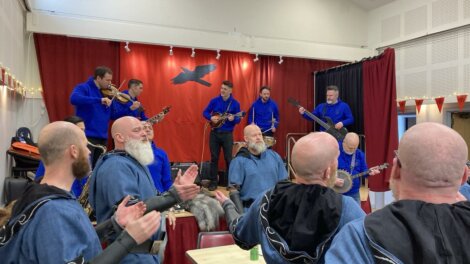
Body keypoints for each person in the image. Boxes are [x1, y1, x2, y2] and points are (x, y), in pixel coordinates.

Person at [0, 121, 161, 263]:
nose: (89, 152)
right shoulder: (54, 212)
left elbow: (82, 240)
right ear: (74, 151)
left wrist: (114, 223)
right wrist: (129, 239)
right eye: (85, 146)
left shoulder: (40, 195)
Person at [325, 122, 470, 263]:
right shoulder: (335, 152)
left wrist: (369, 173)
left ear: (395, 171)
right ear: (464, 176)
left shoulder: (358, 236)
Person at [215, 132, 365, 263]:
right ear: (327, 172)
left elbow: (241, 236)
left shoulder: (267, 199)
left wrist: (228, 205)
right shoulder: (346, 207)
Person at [89, 116, 200, 263]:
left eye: (144, 129)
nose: (144, 133)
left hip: (143, 255)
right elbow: (133, 209)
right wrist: (173, 196)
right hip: (131, 256)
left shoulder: (132, 163)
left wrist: (173, 191)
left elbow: (147, 200)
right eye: (137, 130)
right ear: (119, 137)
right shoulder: (116, 166)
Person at [228, 124, 287, 211]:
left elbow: (284, 183)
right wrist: (241, 218)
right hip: (251, 211)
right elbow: (233, 191)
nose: (258, 137)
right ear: (246, 139)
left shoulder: (274, 156)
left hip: (274, 209)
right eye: (254, 135)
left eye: (259, 134)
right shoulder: (239, 161)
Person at [70, 66, 115, 167]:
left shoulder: (106, 93)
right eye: (107, 80)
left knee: (98, 168)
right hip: (88, 135)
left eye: (110, 80)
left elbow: (112, 115)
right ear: (98, 78)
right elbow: (74, 99)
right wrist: (99, 100)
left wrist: (130, 110)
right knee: (86, 167)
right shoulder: (84, 87)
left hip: (102, 137)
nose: (110, 83)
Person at [35, 115, 88, 197]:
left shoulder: (83, 153)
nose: (84, 134)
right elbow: (39, 180)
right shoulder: (53, 153)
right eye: (80, 130)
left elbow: (84, 181)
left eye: (84, 130)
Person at [202, 80, 241, 191]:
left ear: (230, 90)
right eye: (221, 88)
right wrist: (211, 118)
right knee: (214, 158)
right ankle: (214, 182)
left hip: (227, 135)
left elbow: (238, 119)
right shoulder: (214, 101)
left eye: (225, 89)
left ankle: (230, 182)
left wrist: (234, 119)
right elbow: (204, 112)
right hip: (214, 133)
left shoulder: (235, 103)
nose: (222, 90)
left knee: (229, 159)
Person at [334, 132, 379, 204]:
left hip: (354, 192)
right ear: (344, 142)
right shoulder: (334, 150)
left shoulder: (359, 154)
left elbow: (364, 171)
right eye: (350, 148)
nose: (352, 150)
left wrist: (369, 172)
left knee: (357, 215)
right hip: (335, 192)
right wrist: (332, 180)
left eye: (355, 148)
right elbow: (324, 169)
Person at [142, 121, 172, 193]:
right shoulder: (130, 153)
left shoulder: (161, 153)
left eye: (150, 128)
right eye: (144, 128)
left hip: (159, 198)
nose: (148, 130)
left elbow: (167, 181)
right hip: (139, 200)